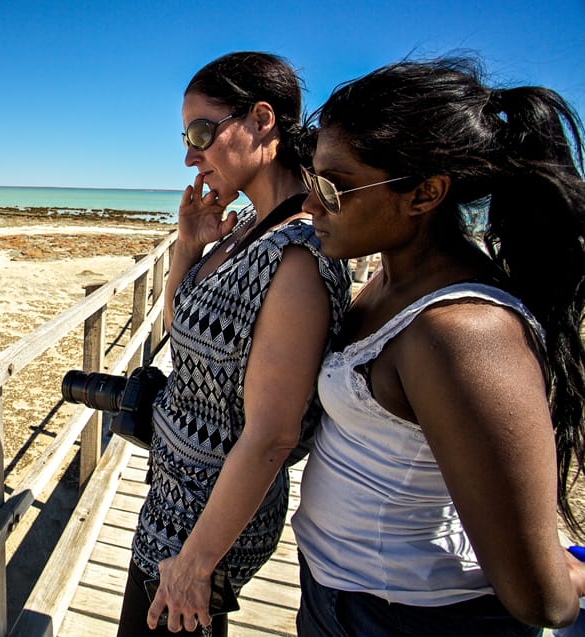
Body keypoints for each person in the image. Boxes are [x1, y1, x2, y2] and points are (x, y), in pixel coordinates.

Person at [292, 56, 585, 635]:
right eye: (309, 180)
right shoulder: (389, 279)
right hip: (338, 595)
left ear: (424, 194)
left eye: (333, 186)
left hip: (412, 617)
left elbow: (541, 599)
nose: (310, 206)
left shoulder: (465, 332)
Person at [117, 52, 351, 636]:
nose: (190, 153)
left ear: (262, 119)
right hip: (174, 493)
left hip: (209, 520)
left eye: (202, 131)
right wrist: (186, 248)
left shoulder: (296, 253)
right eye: (187, 135)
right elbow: (184, 331)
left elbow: (273, 434)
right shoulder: (248, 226)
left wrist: (196, 562)